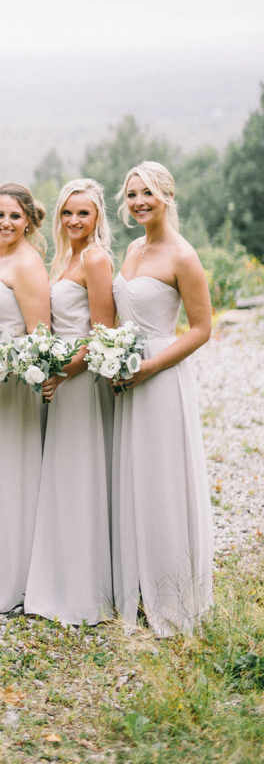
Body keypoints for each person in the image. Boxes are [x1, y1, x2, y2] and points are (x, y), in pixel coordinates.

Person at [112, 161, 213, 635]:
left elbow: (201, 329)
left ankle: (171, 596)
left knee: (162, 478)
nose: (139, 202)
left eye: (147, 193)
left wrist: (151, 365)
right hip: (124, 371)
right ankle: (135, 586)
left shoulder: (181, 255)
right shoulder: (132, 248)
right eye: (132, 195)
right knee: (132, 474)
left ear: (167, 195)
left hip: (160, 372)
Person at [24, 179, 115, 624]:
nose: (75, 221)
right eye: (67, 213)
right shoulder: (64, 259)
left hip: (78, 382)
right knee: (62, 477)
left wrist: (63, 374)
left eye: (84, 213)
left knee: (79, 478)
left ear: (98, 216)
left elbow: (102, 332)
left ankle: (84, 594)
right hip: (59, 379)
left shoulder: (95, 259)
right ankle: (60, 581)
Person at [0, 182, 51, 613]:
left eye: (14, 217)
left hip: (15, 387)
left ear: (28, 221)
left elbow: (39, 339)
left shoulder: (27, 263)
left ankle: (16, 582)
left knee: (13, 480)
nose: (5, 223)